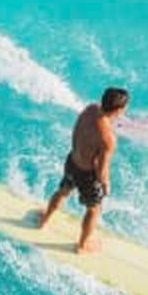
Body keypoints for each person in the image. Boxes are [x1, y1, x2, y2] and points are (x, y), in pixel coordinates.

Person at [38, 87, 129, 254]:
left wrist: (77, 152)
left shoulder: (90, 109)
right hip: (87, 175)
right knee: (94, 209)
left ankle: (44, 219)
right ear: (119, 110)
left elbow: (75, 131)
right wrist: (106, 184)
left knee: (63, 191)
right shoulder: (108, 139)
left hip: (72, 161)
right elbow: (102, 170)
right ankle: (82, 245)